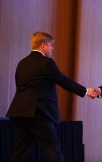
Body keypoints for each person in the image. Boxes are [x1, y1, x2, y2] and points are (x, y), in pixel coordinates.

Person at [6, 31, 96, 162]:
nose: (52, 48)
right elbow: (63, 80)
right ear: (43, 46)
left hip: (20, 112)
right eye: (51, 45)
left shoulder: (22, 63)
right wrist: (85, 91)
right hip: (38, 112)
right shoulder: (46, 63)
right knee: (52, 147)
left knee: (20, 150)